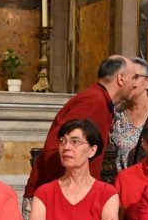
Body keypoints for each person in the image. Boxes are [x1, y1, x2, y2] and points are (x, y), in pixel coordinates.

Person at [23, 55, 137, 205]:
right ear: (120, 79)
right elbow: (55, 148)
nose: (135, 83)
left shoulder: (100, 101)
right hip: (56, 198)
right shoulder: (94, 102)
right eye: (134, 77)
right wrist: (64, 195)